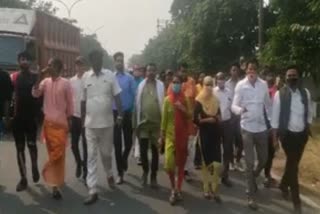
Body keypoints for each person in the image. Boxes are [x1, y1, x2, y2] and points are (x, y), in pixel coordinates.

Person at [81, 50, 123, 205]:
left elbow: (117, 96)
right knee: (91, 155)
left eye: (99, 59)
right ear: (91, 61)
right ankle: (92, 190)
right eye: (94, 60)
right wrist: (82, 119)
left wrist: (120, 114)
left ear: (102, 60)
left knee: (106, 154)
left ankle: (110, 173)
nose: (97, 62)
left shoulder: (110, 76)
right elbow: (83, 100)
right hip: (90, 124)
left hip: (107, 124)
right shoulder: (86, 77)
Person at [271, 66, 313, 214]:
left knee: (292, 163)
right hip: (287, 136)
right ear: (285, 77)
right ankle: (297, 203)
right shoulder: (279, 94)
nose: (291, 77)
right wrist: (275, 139)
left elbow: (309, 111)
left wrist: (308, 127)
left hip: (301, 136)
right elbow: (275, 118)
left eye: (294, 75)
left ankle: (283, 184)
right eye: (289, 75)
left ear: (298, 77)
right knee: (294, 167)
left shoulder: (305, 92)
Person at [232, 59, 271, 210]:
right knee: (248, 162)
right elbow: (233, 106)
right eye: (249, 69)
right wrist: (241, 110)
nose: (251, 72)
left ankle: (254, 176)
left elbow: (268, 105)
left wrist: (271, 124)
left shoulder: (263, 85)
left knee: (263, 159)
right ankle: (250, 195)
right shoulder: (241, 85)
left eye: (254, 69)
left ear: (257, 70)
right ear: (246, 71)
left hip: (261, 128)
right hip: (247, 127)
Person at [32, 58, 73, 200]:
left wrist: (70, 121)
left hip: (61, 125)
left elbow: (70, 104)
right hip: (48, 125)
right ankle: (55, 185)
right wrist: (39, 76)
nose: (48, 67)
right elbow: (35, 93)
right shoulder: (45, 82)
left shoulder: (66, 83)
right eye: (48, 65)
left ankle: (50, 174)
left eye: (50, 65)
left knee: (59, 155)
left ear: (57, 67)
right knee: (53, 155)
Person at [11, 52, 40, 192]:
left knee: (32, 145)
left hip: (31, 119)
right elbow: (8, 97)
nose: (24, 61)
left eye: (27, 59)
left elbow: (40, 96)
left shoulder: (35, 77)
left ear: (30, 62)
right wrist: (8, 116)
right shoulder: (13, 77)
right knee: (20, 149)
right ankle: (23, 178)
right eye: (22, 59)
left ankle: (34, 166)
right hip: (17, 120)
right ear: (18, 62)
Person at [160, 74, 190, 205]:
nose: (176, 84)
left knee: (181, 165)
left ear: (181, 85)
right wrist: (162, 137)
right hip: (170, 137)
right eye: (174, 82)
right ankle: (173, 187)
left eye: (178, 82)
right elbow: (164, 120)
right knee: (169, 163)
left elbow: (190, 116)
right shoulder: (167, 100)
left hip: (182, 136)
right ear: (171, 84)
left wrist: (182, 108)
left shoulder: (185, 99)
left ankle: (177, 190)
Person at [134, 63, 164, 188]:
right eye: (148, 70)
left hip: (157, 125)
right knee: (143, 151)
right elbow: (136, 106)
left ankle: (153, 176)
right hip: (143, 125)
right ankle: (145, 172)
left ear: (156, 71)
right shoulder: (141, 86)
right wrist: (134, 125)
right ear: (145, 72)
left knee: (155, 152)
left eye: (153, 70)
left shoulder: (161, 85)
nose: (151, 72)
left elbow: (164, 103)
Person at [194, 76, 222, 203]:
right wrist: (207, 120)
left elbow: (219, 116)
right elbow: (195, 119)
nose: (209, 87)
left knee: (216, 164)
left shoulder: (216, 100)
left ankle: (215, 189)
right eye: (207, 84)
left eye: (211, 84)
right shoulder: (199, 101)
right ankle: (206, 189)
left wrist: (216, 119)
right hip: (204, 135)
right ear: (203, 85)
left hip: (216, 135)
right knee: (206, 163)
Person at [113, 52, 135, 184]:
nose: (120, 63)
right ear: (114, 62)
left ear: (124, 62)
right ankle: (120, 173)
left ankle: (124, 158)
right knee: (117, 144)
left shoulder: (130, 78)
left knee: (128, 143)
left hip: (127, 113)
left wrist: (133, 112)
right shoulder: (111, 78)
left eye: (121, 61)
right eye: (117, 61)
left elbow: (135, 95)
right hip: (114, 113)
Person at [176, 63, 197, 181]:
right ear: (178, 71)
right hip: (178, 120)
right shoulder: (175, 83)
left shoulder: (192, 82)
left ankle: (186, 170)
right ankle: (180, 167)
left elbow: (194, 100)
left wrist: (194, 119)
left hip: (189, 120)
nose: (183, 73)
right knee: (180, 147)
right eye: (181, 71)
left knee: (190, 147)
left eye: (185, 71)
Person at [213, 72, 233, 187]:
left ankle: (225, 175)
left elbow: (232, 107)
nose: (221, 80)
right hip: (215, 124)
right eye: (219, 78)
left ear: (225, 80)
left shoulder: (229, 92)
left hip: (227, 123)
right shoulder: (213, 92)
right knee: (216, 149)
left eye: (222, 78)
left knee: (227, 150)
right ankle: (215, 174)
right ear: (216, 80)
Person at [70, 56, 88, 181]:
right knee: (73, 145)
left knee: (86, 145)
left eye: (81, 64)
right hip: (74, 116)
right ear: (75, 66)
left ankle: (86, 170)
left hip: (87, 118)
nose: (79, 67)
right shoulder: (71, 81)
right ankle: (79, 163)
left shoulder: (88, 79)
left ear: (84, 66)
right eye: (77, 65)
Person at [261, 67, 278, 188]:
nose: (270, 77)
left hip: (275, 125)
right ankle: (264, 175)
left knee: (271, 152)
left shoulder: (278, 91)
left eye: (271, 75)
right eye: (268, 75)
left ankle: (267, 174)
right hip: (264, 125)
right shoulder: (262, 91)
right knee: (266, 152)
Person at [226, 63, 245, 172]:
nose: (234, 72)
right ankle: (231, 163)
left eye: (236, 70)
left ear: (238, 72)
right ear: (230, 71)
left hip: (240, 116)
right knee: (229, 141)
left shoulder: (242, 84)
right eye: (233, 70)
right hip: (229, 116)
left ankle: (237, 161)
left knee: (240, 141)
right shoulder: (227, 84)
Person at [0, 68, 13, 139]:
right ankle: (3, 130)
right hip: (5, 99)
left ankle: (2, 130)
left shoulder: (5, 75)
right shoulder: (5, 74)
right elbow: (10, 88)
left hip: (4, 99)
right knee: (5, 115)